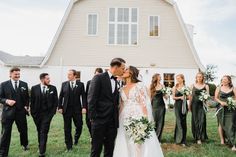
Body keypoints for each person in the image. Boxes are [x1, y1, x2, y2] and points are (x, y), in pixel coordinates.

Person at [113, 66, 164, 157]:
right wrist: (117, 119)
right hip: (124, 117)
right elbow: (121, 105)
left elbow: (143, 104)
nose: (124, 71)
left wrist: (145, 119)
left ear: (131, 73)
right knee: (125, 139)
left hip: (137, 114)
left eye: (126, 69)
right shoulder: (121, 88)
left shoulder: (139, 86)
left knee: (139, 140)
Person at [88, 58, 126, 157]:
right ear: (116, 67)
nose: (123, 71)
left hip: (112, 121)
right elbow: (91, 99)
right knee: (96, 149)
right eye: (122, 68)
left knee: (110, 149)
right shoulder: (98, 78)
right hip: (99, 120)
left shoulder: (117, 81)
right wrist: (93, 118)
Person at [0, 67, 29, 157]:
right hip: (8, 113)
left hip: (21, 112)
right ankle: (3, 152)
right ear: (10, 74)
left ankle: (25, 144)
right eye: (16, 74)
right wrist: (7, 101)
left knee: (23, 130)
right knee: (5, 133)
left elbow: (27, 97)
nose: (17, 76)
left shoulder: (24, 84)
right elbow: (0, 98)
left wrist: (26, 105)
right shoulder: (3, 85)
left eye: (18, 74)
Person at [30, 73, 58, 157]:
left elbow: (56, 101)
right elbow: (32, 101)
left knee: (44, 130)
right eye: (47, 79)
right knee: (39, 130)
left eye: (49, 78)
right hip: (37, 114)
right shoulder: (34, 88)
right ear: (42, 80)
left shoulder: (53, 88)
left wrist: (52, 113)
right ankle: (40, 145)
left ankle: (42, 151)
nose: (49, 80)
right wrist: (33, 113)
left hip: (48, 114)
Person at [58, 69, 86, 151]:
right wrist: (60, 107)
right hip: (66, 110)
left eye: (70, 74)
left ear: (75, 76)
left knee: (79, 126)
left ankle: (76, 138)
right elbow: (60, 97)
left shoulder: (81, 84)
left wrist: (84, 107)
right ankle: (69, 146)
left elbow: (83, 97)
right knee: (67, 128)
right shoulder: (64, 84)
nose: (68, 76)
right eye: (68, 74)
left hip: (77, 110)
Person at [215, 75, 236, 151]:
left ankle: (233, 143)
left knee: (230, 124)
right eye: (222, 79)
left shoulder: (232, 88)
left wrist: (232, 102)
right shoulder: (219, 88)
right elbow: (216, 98)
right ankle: (222, 140)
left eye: (225, 79)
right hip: (221, 108)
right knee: (221, 123)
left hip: (230, 109)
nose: (224, 81)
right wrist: (221, 102)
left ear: (229, 81)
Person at [189, 72, 209, 144]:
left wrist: (206, 106)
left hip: (202, 105)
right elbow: (190, 96)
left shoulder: (206, 86)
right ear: (196, 78)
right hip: (194, 105)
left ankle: (202, 136)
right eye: (198, 77)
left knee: (202, 120)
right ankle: (197, 138)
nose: (199, 78)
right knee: (195, 121)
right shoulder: (192, 85)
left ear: (202, 78)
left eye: (200, 77)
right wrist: (189, 105)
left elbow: (207, 97)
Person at [85, 68, 103, 137]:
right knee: (88, 122)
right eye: (96, 74)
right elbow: (87, 94)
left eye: (98, 75)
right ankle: (91, 135)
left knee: (97, 123)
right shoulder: (89, 82)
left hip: (99, 106)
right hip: (90, 105)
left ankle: (97, 136)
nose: (97, 76)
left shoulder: (103, 83)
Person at [150, 73, 167, 142]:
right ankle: (153, 137)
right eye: (159, 77)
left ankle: (158, 138)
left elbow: (165, 97)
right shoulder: (151, 86)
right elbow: (150, 97)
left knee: (161, 122)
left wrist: (166, 93)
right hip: (154, 106)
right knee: (154, 122)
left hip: (161, 106)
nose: (160, 78)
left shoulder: (162, 86)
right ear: (156, 78)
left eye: (160, 77)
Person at [172, 74, 188, 146]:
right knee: (178, 121)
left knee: (183, 121)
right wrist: (180, 98)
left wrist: (185, 97)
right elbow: (173, 97)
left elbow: (189, 97)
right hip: (177, 106)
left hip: (184, 105)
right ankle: (179, 139)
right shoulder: (174, 87)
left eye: (179, 78)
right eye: (177, 78)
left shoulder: (186, 87)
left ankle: (183, 139)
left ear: (183, 79)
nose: (178, 80)